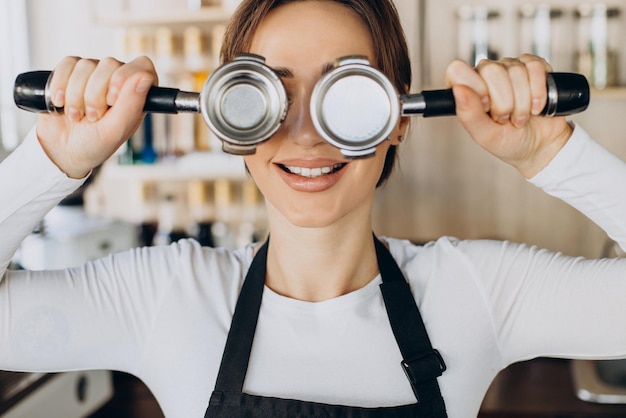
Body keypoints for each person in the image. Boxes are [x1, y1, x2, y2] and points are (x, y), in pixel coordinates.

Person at [1, 0, 625, 417]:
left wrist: (553, 153)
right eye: (270, 93)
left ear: (396, 119)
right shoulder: (164, 293)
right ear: (230, 116)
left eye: (347, 94)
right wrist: (53, 157)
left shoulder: (480, 290)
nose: (306, 134)